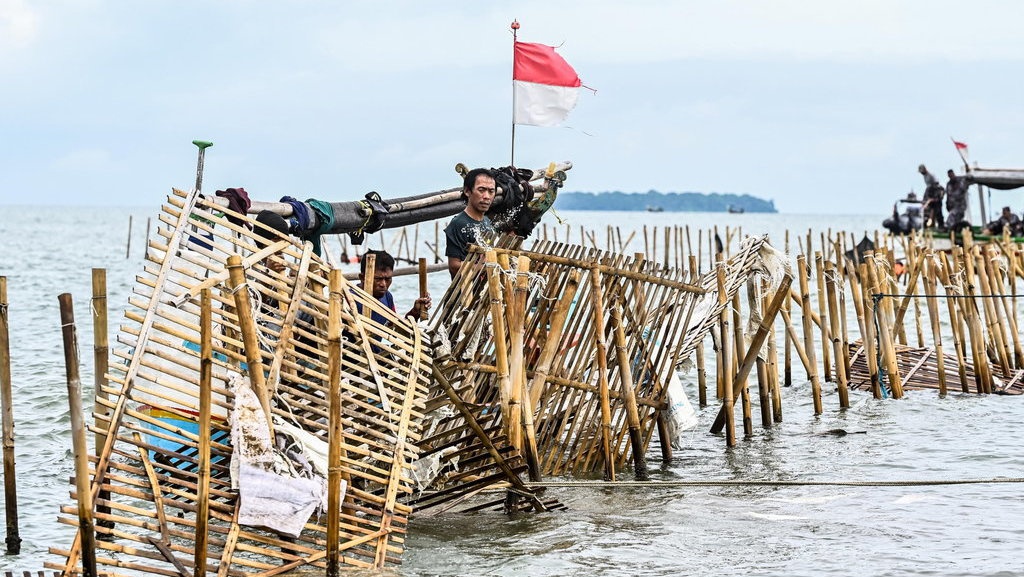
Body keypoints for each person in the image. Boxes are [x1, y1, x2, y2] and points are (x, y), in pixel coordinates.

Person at [445, 167, 497, 278]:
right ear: (467, 191)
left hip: (487, 291)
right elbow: (454, 266)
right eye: (481, 190)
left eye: (491, 191)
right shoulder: (458, 224)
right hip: (465, 292)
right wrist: (485, 267)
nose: (486, 196)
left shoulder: (487, 222)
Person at [357, 249, 431, 323]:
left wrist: (415, 312)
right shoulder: (350, 300)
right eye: (378, 279)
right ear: (362, 278)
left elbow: (395, 328)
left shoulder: (387, 296)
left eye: (387, 279)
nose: (383, 284)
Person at [919, 164, 945, 228]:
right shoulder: (924, 176)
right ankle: (929, 223)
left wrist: (935, 197)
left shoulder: (931, 175)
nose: (921, 173)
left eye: (922, 171)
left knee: (938, 210)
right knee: (928, 208)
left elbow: (936, 184)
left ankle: (941, 225)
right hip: (930, 193)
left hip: (936, 192)